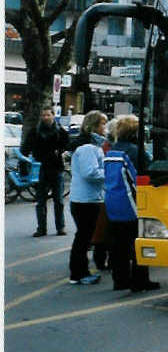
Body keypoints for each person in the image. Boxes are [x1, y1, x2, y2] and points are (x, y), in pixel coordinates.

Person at [104, 115, 159, 292]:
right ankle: (140, 281)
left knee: (118, 245)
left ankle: (120, 280)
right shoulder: (135, 152)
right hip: (132, 205)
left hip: (112, 203)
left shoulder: (112, 151)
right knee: (138, 243)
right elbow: (141, 178)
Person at [67, 110, 108, 285]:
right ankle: (78, 273)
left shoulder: (90, 146)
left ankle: (80, 271)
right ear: (95, 126)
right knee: (83, 238)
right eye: (103, 124)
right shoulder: (87, 148)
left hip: (86, 198)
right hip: (86, 199)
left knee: (83, 237)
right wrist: (110, 172)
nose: (105, 128)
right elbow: (90, 172)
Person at [20, 104, 69, 237]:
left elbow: (67, 146)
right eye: (43, 115)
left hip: (56, 168)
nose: (45, 117)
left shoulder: (60, 131)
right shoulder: (35, 131)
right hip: (40, 169)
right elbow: (24, 150)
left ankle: (60, 227)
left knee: (58, 200)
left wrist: (61, 152)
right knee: (40, 201)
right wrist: (24, 166)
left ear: (53, 115)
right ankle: (41, 228)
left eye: (48, 114)